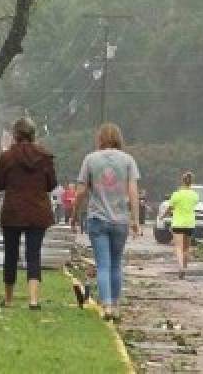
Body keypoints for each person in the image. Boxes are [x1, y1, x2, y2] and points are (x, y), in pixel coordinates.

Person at [73, 122, 141, 322]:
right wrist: (135, 219)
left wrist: (75, 213)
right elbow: (133, 192)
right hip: (120, 220)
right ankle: (116, 305)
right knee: (116, 264)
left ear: (100, 139)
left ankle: (107, 306)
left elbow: (81, 191)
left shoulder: (90, 159)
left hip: (97, 218)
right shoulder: (128, 161)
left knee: (103, 264)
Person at [0, 117, 56, 309]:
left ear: (15, 135)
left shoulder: (7, 157)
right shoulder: (45, 157)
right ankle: (33, 299)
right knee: (33, 254)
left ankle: (9, 298)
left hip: (13, 211)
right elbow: (51, 184)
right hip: (38, 210)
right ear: (33, 134)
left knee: (10, 254)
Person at [160, 171, 199, 280]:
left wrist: (162, 216)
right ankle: (185, 269)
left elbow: (170, 208)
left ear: (182, 181)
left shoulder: (176, 194)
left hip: (178, 223)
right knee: (186, 248)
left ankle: (181, 267)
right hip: (190, 223)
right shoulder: (195, 195)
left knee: (178, 247)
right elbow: (194, 204)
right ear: (191, 182)